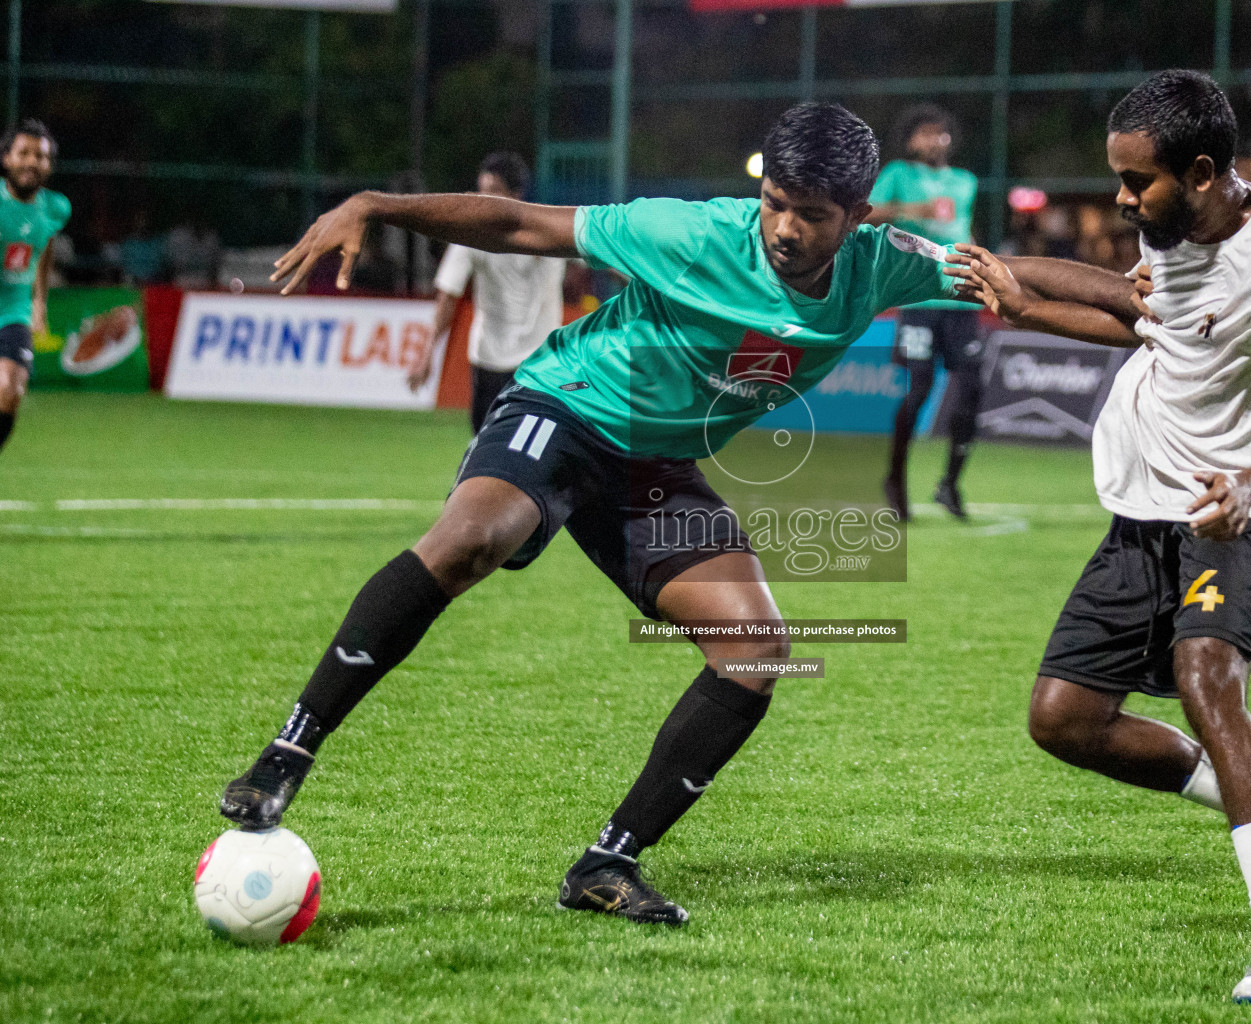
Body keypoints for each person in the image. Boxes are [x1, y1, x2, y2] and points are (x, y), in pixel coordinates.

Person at [218, 103, 968, 926]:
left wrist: (1136, 297)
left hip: (654, 465)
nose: (785, 226)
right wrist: (375, 205)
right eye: (775, 201)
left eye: (810, 212)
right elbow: (517, 222)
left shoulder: (878, 265)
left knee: (756, 648)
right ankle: (288, 750)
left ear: (856, 216)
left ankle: (606, 863)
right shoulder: (684, 231)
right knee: (471, 538)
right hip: (568, 406)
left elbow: (1014, 279)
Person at [947, 70, 1251, 1004]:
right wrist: (1018, 296)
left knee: (1208, 677)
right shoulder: (1174, 224)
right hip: (1146, 508)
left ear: (1203, 172)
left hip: (1235, 512)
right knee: (1063, 721)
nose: (1124, 202)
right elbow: (1148, 319)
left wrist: (1249, 483)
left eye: (1139, 184)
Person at [865, 103, 982, 520]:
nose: (934, 140)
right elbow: (869, 213)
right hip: (917, 299)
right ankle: (895, 479)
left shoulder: (965, 182)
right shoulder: (898, 174)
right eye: (925, 134)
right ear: (911, 139)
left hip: (959, 299)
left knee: (971, 391)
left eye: (941, 133)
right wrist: (910, 211)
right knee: (918, 390)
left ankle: (950, 484)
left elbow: (963, 230)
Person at [406, 152, 567, 433]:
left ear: (516, 196)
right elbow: (448, 296)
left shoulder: (549, 228)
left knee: (534, 455)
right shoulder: (470, 237)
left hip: (541, 363)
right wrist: (427, 352)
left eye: (493, 192)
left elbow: (602, 257)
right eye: (481, 191)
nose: (483, 201)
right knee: (484, 451)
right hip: (489, 362)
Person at [0, 119, 71, 456]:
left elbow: (44, 245)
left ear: (49, 165)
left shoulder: (57, 207)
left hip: (13, 311)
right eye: (23, 153)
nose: (31, 161)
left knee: (10, 392)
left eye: (39, 156)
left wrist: (40, 300)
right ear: (6, 159)